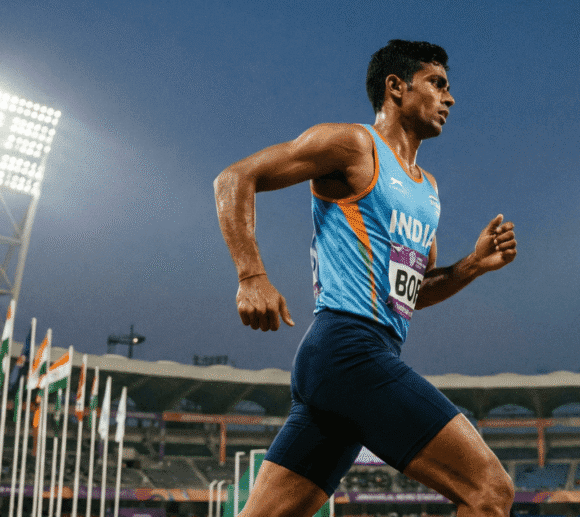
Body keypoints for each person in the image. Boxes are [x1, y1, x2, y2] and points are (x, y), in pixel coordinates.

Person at [214, 40, 518, 517]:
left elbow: (411, 294)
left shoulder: (428, 190)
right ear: (396, 87)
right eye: (437, 84)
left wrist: (471, 267)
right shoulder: (352, 144)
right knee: (490, 492)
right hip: (347, 349)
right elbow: (234, 178)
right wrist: (251, 274)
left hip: (349, 363)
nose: (450, 98)